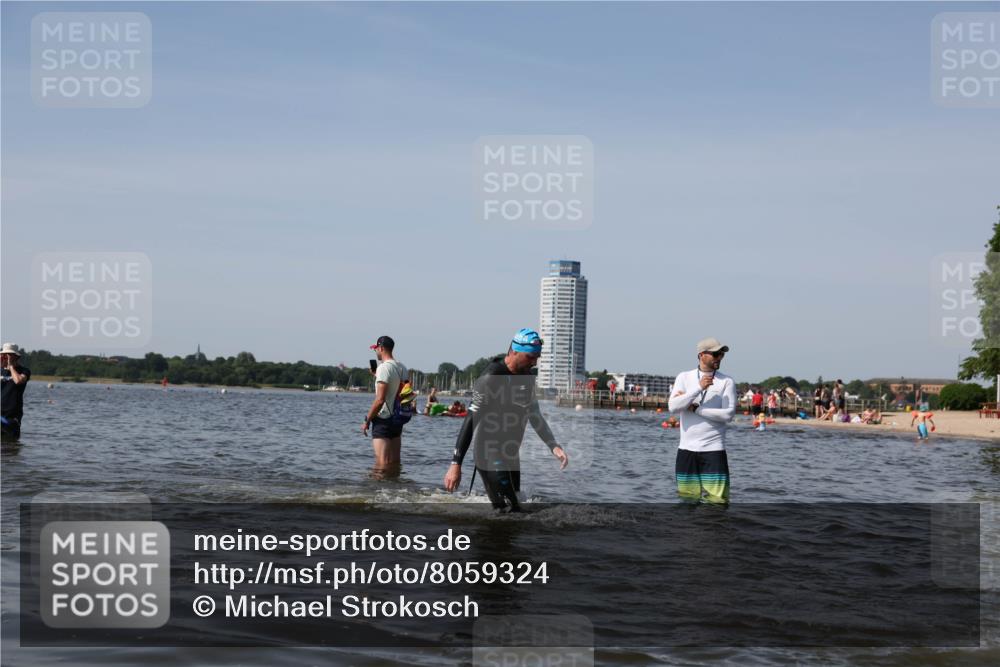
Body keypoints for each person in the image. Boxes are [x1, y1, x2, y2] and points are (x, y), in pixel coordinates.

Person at [443, 328, 569, 512]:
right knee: (510, 511)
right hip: (489, 453)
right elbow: (470, 419)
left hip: (511, 453)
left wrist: (554, 445)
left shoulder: (527, 377)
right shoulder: (491, 377)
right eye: (530, 356)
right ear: (514, 351)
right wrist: (456, 464)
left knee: (514, 507)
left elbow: (534, 413)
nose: (534, 362)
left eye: (537, 357)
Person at [668, 337, 737, 504]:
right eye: (715, 354)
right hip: (686, 451)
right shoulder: (684, 377)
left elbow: (728, 415)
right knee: (687, 503)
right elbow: (673, 406)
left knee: (718, 503)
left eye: (721, 354)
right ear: (701, 355)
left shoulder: (726, 381)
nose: (719, 357)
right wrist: (698, 388)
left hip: (714, 450)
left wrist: (696, 408)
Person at [361, 336, 408, 477]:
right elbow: (398, 390)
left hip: (383, 419)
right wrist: (377, 375)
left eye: (376, 349)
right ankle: (394, 490)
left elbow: (380, 400)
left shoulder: (383, 368)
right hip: (397, 419)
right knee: (394, 462)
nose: (376, 352)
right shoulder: (402, 367)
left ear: (381, 348)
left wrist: (367, 420)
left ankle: (377, 493)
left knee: (381, 463)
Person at [1, 344, 30, 442]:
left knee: (11, 448)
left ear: (16, 357)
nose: (5, 357)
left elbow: (18, 381)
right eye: (3, 355)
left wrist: (11, 366)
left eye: (8, 355)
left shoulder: (24, 371)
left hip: (12, 417)